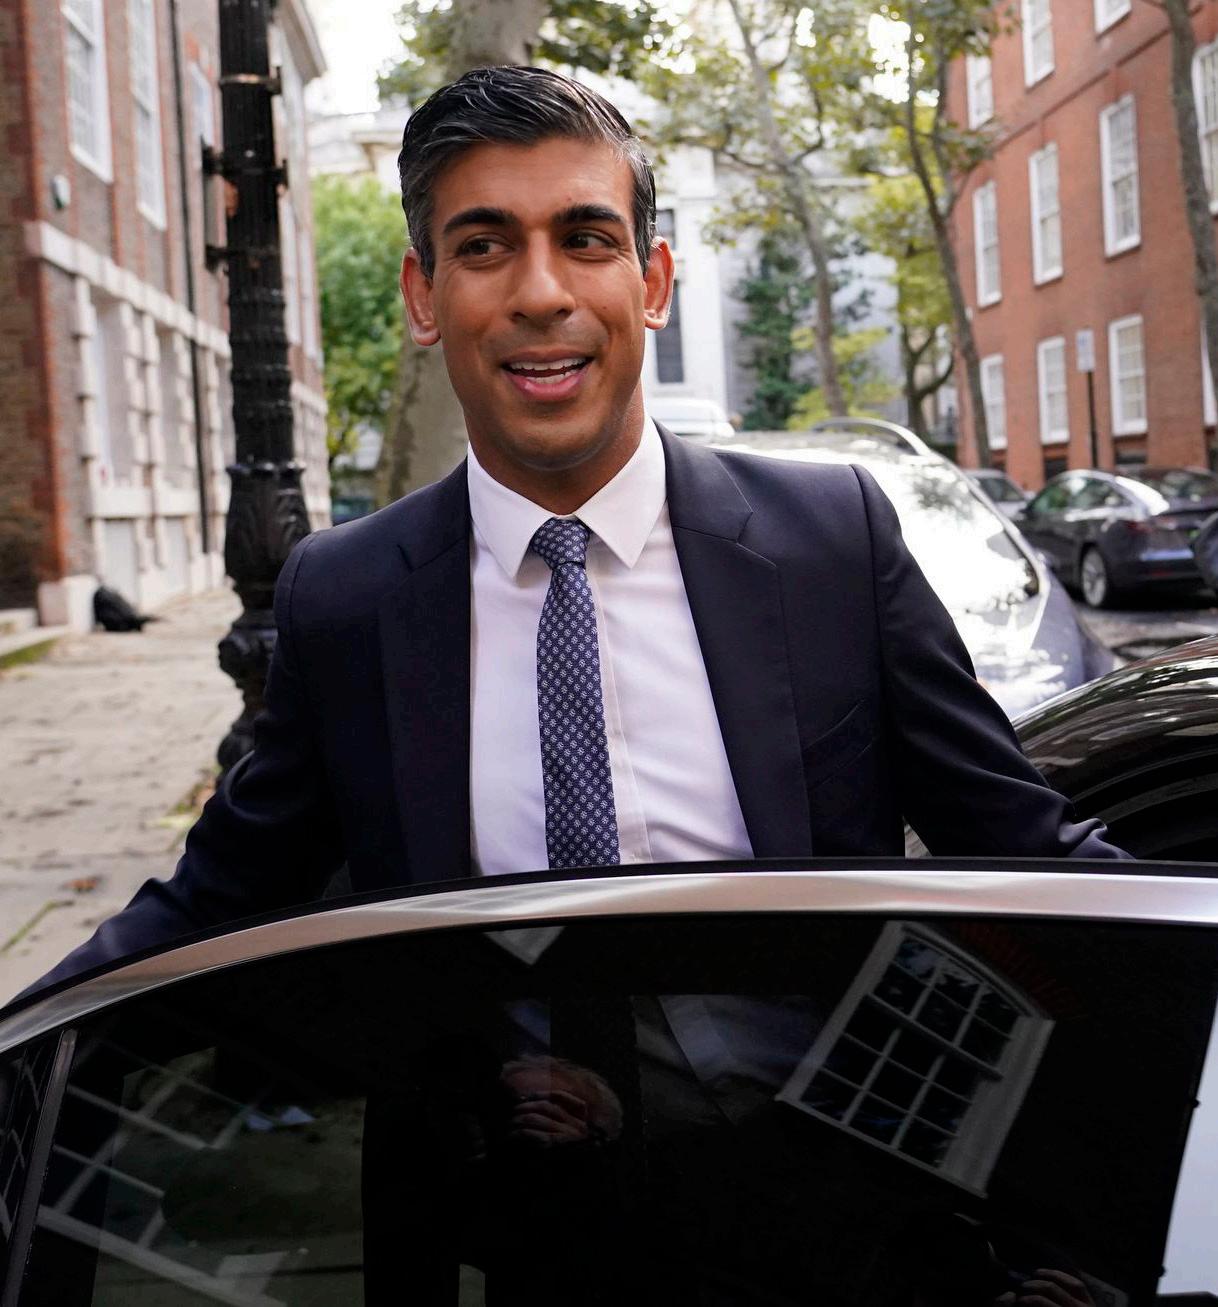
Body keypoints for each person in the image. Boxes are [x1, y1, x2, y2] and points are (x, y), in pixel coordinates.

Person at [24, 65, 1126, 998]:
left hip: (800, 1168)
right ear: (424, 296)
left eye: (587, 239)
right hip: (489, 1179)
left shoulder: (833, 542)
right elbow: (210, 906)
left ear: (653, 282)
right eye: (485, 246)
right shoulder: (346, 597)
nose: (541, 292)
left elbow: (1025, 850)